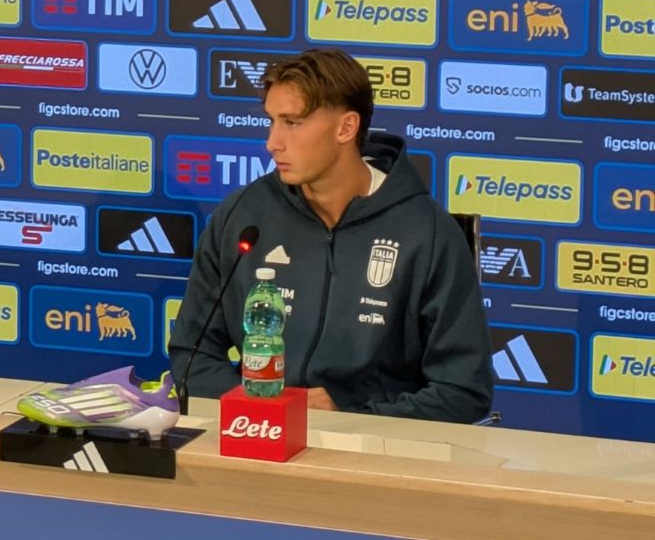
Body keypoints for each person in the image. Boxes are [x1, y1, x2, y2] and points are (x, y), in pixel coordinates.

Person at [169, 48, 493, 423]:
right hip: (256, 440)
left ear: (346, 128)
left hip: (375, 458)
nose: (273, 142)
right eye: (272, 121)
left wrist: (347, 418)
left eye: (293, 123)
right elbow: (192, 355)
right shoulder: (244, 215)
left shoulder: (429, 233)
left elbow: (463, 392)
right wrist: (260, 410)